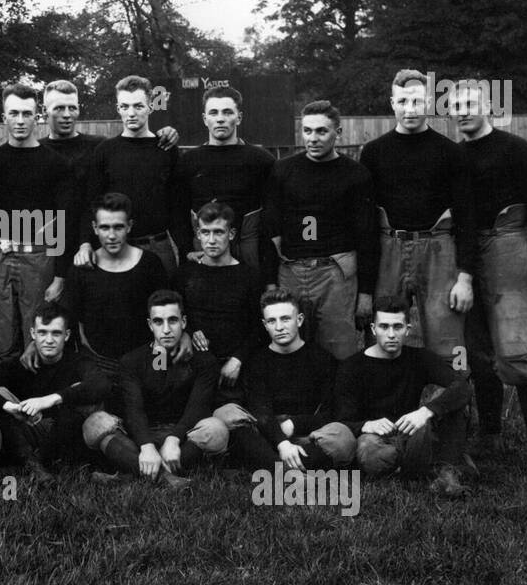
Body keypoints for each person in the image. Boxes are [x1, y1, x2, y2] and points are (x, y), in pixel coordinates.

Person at [450, 80, 527, 474]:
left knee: (517, 349)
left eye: (469, 103)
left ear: (488, 107)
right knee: (477, 353)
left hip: (509, 246)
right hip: (465, 253)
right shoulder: (455, 156)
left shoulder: (514, 149)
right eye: (454, 105)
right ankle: (490, 433)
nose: (461, 111)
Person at [359, 69, 476, 358]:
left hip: (438, 250)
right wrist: (364, 285)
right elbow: (364, 221)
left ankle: (452, 401)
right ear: (392, 103)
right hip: (389, 249)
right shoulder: (373, 153)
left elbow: (467, 217)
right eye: (403, 102)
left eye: (417, 102)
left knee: (448, 342)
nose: (410, 109)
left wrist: (465, 278)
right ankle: (384, 402)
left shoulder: (451, 152)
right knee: (383, 336)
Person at [262, 100, 378, 360]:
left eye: (321, 131)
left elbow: (367, 237)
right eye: (307, 131)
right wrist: (270, 281)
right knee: (291, 348)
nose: (313, 139)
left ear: (338, 133)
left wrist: (366, 293)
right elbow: (269, 229)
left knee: (339, 350)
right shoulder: (282, 170)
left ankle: (341, 400)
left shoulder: (356, 175)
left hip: (335, 273)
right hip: (290, 268)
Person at [333, 294, 472, 497]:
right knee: (370, 453)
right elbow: (340, 418)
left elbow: (462, 386)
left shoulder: (418, 358)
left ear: (408, 329)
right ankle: (436, 465)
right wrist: (365, 425)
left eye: (397, 327)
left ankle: (445, 472)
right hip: (375, 439)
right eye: (384, 327)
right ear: (373, 329)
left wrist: (426, 411)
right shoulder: (352, 366)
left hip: (411, 433)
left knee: (450, 397)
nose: (391, 334)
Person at [82, 291, 222, 488]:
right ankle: (167, 478)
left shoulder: (204, 361)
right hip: (139, 438)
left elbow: (197, 407)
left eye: (172, 321)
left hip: (182, 439)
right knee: (94, 423)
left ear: (183, 322)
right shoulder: (133, 360)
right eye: (158, 322)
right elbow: (134, 408)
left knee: (217, 429)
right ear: (150, 325)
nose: (166, 329)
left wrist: (173, 440)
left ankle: (129, 476)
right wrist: (147, 447)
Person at [0, 84, 73, 362]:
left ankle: (39, 398)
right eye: (14, 113)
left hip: (39, 256)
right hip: (1, 254)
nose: (20, 120)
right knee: (3, 333)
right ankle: (7, 398)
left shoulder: (55, 163)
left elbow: (63, 222)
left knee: (36, 329)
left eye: (26, 113)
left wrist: (59, 276)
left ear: (38, 116)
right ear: (3, 117)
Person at [0, 303, 111, 477]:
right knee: (3, 405)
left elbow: (101, 384)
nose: (49, 340)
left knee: (77, 395)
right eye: (42, 332)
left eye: (56, 333)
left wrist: (52, 399)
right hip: (24, 432)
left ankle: (31, 465)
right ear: (33, 333)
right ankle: (33, 465)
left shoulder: (78, 362)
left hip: (63, 435)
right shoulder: (20, 364)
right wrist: (8, 406)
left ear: (67, 335)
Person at [219, 289, 356, 472]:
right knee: (228, 417)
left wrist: (294, 424)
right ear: (264, 325)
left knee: (343, 438)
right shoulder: (257, 361)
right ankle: (290, 470)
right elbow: (260, 410)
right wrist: (282, 443)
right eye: (271, 321)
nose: (279, 327)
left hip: (307, 434)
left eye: (285, 319)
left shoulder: (321, 358)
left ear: (299, 320)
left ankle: (272, 466)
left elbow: (332, 411)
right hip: (268, 432)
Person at [76, 75, 191, 275]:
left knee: (164, 304)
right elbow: (91, 202)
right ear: (118, 108)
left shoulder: (165, 148)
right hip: (116, 246)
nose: (131, 113)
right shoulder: (105, 151)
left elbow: (178, 206)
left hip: (158, 246)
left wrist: (186, 250)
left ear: (150, 107)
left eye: (138, 106)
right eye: (125, 106)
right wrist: (85, 242)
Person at [60, 192, 167, 381]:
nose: (111, 235)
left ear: (129, 226)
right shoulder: (82, 269)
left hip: (144, 362)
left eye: (118, 227)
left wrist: (160, 366)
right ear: (94, 228)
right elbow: (66, 317)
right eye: (104, 227)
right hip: (97, 361)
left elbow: (167, 315)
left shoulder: (150, 264)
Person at [178, 85, 278, 282]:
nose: (220, 118)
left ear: (239, 117)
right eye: (214, 112)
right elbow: (178, 213)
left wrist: (269, 276)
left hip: (250, 256)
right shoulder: (188, 161)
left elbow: (271, 220)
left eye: (227, 112)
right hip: (204, 253)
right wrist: (186, 251)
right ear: (205, 119)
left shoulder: (262, 160)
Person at [173, 201, 264, 412]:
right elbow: (175, 314)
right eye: (205, 232)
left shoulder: (249, 276)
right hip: (194, 367)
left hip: (234, 369)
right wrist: (187, 332)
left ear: (231, 234)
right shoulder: (185, 273)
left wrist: (238, 359)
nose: (211, 240)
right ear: (197, 233)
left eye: (218, 232)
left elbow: (258, 327)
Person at [41, 78, 179, 177]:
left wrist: (167, 133)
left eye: (72, 108)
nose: (66, 114)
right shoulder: (35, 150)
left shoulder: (98, 146)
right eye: (59, 108)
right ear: (44, 111)